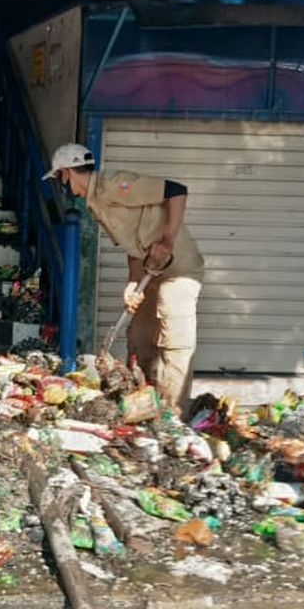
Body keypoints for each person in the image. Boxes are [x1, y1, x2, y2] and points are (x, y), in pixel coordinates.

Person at [44, 143, 205, 415]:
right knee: (139, 336)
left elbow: (177, 191)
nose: (60, 183)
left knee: (174, 340)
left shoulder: (115, 185)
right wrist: (132, 283)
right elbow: (133, 247)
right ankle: (143, 406)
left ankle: (173, 414)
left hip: (178, 267)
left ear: (68, 173)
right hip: (150, 268)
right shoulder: (96, 205)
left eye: (59, 176)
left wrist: (167, 240)